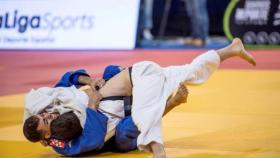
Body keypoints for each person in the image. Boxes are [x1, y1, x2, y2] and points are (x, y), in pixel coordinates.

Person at [24, 38, 256, 158]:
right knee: (134, 122)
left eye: (43, 114)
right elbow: (94, 139)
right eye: (46, 120)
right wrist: (93, 104)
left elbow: (68, 78)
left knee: (178, 76)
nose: (48, 114)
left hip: (124, 90)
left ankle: (230, 49)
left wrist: (89, 83)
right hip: (115, 128)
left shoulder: (51, 103)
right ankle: (161, 133)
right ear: (46, 137)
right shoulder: (61, 143)